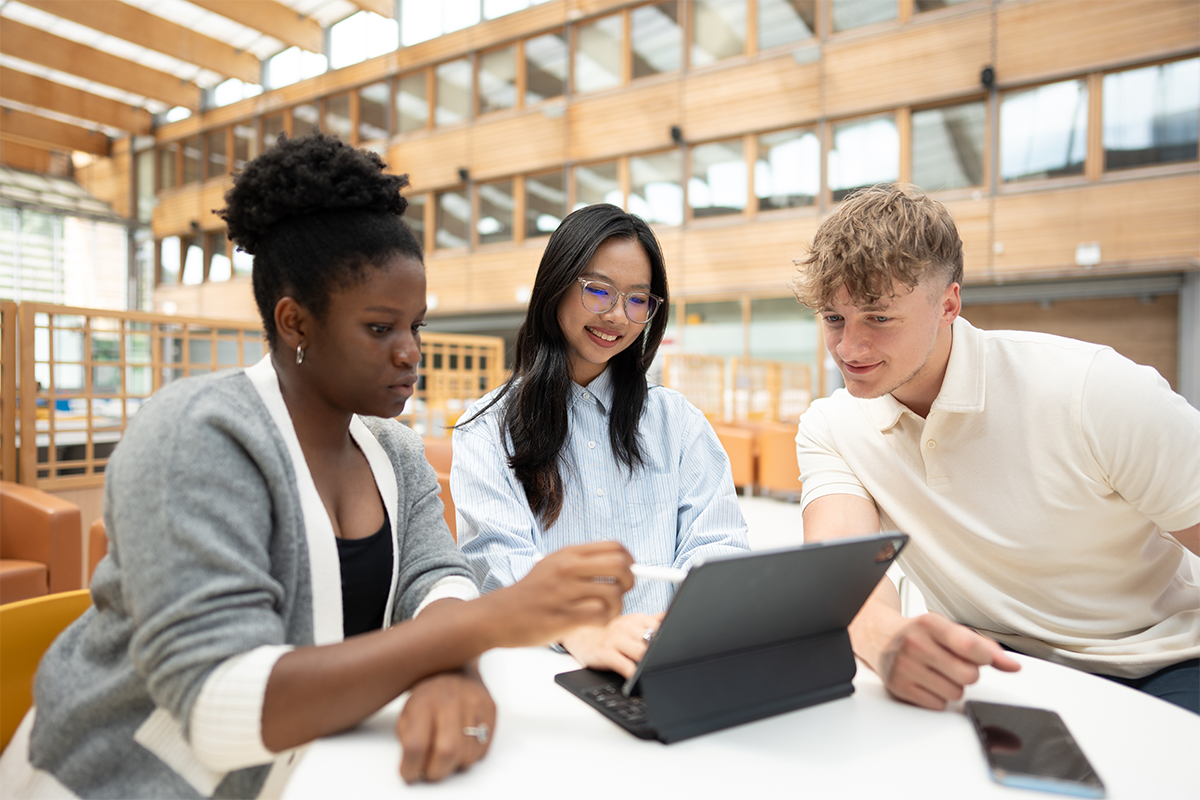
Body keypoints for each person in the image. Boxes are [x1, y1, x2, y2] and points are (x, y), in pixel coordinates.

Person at [0, 133, 635, 799]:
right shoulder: (196, 435)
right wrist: (494, 622)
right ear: (295, 322)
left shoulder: (393, 452)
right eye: (379, 328)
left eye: (416, 326)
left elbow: (438, 583)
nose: (409, 353)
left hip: (313, 774)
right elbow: (222, 708)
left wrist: (452, 672)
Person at [791, 183, 1200, 714]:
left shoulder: (1092, 390)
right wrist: (885, 639)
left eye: (879, 317)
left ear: (949, 305)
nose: (848, 348)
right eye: (833, 318)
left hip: (1161, 658)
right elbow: (839, 577)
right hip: (992, 663)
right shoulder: (833, 425)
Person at [451, 204, 750, 679]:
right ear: (557, 284)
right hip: (544, 672)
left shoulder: (679, 424)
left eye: (637, 300)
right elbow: (499, 564)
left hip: (662, 665)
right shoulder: (487, 429)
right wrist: (581, 631)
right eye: (598, 290)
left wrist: (681, 626)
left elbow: (718, 546)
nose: (616, 316)